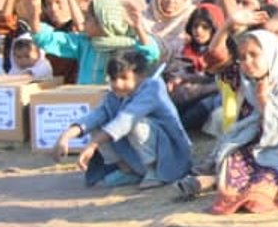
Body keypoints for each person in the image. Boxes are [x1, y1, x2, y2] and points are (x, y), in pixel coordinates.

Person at [184, 29, 278, 213]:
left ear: (270, 53)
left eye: (254, 55)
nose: (248, 62)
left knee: (265, 186)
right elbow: (214, 60)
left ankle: (233, 188)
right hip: (248, 147)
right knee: (232, 167)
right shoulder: (245, 82)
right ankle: (212, 181)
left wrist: (264, 101)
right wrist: (229, 25)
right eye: (243, 57)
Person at [55, 51, 193, 190]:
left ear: (140, 75)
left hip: (170, 155)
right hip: (137, 155)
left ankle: (154, 170)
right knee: (99, 125)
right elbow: (97, 116)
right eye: (114, 79)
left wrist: (93, 145)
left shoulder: (153, 87)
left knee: (134, 123)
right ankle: (127, 169)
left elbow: (125, 121)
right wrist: (66, 136)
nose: (118, 84)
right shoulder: (115, 95)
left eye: (123, 77)